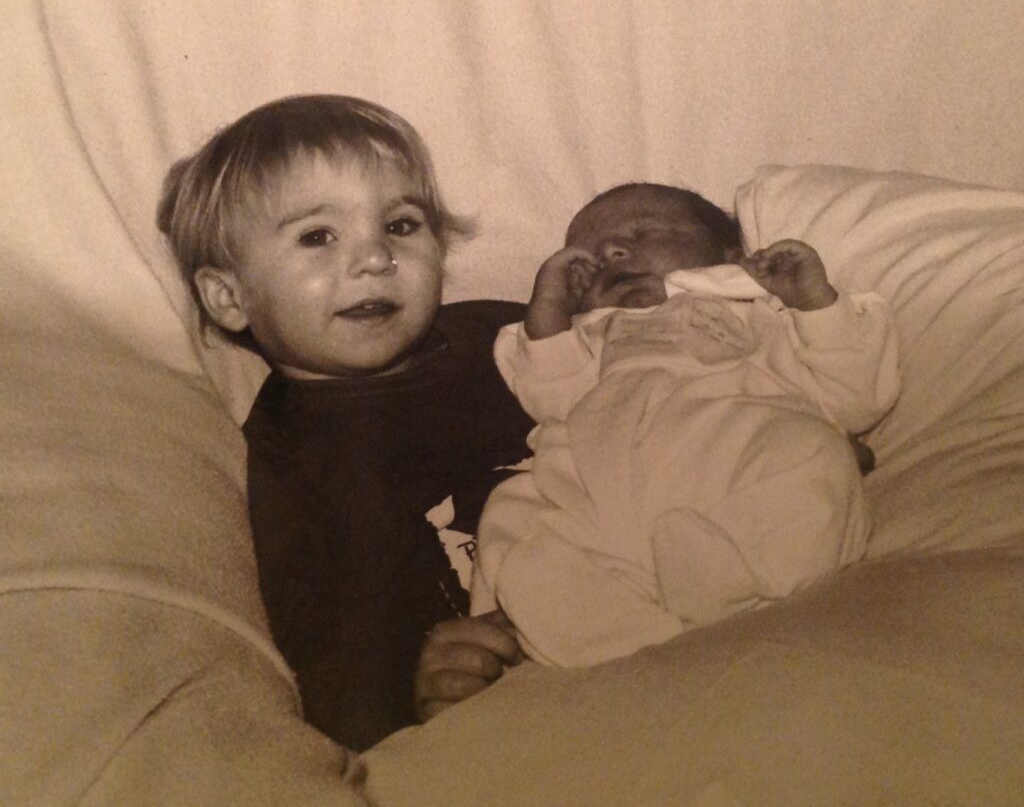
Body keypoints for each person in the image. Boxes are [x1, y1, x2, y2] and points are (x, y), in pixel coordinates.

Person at [157, 94, 531, 750]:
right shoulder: (289, 452)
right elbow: (318, 642)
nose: (374, 258)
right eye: (318, 236)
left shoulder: (501, 330)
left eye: (402, 225)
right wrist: (410, 690)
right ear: (230, 296)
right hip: (500, 681)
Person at [470, 182, 900, 667]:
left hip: (737, 458)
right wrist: (549, 315)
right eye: (587, 257)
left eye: (644, 232)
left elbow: (854, 395)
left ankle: (732, 572)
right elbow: (553, 400)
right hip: (604, 483)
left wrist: (815, 304)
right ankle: (615, 632)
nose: (611, 251)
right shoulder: (592, 334)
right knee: (513, 512)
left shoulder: (756, 313)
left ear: (729, 255)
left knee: (819, 453)